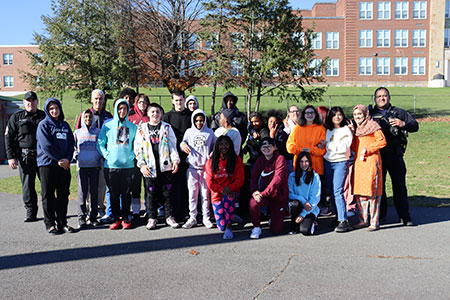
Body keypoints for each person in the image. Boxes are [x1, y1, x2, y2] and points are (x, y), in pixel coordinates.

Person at [369, 87, 419, 226]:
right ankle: (381, 215)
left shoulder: (399, 113)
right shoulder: (370, 114)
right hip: (377, 156)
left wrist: (403, 124)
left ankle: (405, 216)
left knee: (399, 187)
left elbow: (415, 126)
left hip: (395, 155)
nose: (382, 98)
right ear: (375, 99)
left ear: (389, 98)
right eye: (379, 96)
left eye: (384, 96)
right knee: (380, 188)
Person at [134, 103, 181, 230]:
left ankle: (169, 216)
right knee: (151, 193)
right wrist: (142, 164)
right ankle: (152, 218)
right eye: (152, 112)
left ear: (161, 114)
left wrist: (175, 160)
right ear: (148, 114)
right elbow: (138, 148)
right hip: (149, 167)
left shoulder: (166, 127)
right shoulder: (142, 128)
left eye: (158, 112)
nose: (155, 114)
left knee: (167, 192)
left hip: (165, 166)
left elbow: (172, 145)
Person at [5, 91, 45, 222]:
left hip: (42, 156)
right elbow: (9, 137)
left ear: (37, 102)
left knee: (46, 184)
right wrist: (11, 157)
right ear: (24, 102)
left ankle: (49, 211)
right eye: (28, 100)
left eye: (33, 100)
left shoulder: (43, 116)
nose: (31, 103)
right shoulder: (17, 117)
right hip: (25, 156)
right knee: (28, 186)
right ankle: (31, 212)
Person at [36, 98, 75, 234]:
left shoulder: (64, 125)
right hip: (48, 165)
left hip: (64, 166)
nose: (54, 111)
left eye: (56, 108)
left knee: (63, 194)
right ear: (47, 110)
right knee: (48, 195)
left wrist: (67, 159)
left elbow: (71, 143)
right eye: (51, 108)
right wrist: (59, 158)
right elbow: (46, 145)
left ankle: (62, 222)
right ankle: (50, 223)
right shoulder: (43, 125)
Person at [97, 99, 137, 230]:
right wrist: (107, 155)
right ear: (116, 109)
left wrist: (132, 156)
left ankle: (125, 218)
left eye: (125, 109)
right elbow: (100, 143)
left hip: (128, 166)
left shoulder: (132, 127)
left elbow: (137, 146)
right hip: (111, 166)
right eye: (119, 108)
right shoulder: (107, 125)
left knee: (126, 194)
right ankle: (115, 219)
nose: (122, 111)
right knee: (113, 194)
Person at [74, 89, 112, 219]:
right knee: (85, 188)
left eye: (100, 99)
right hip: (84, 159)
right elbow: (77, 135)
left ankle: (99, 208)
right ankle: (86, 210)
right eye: (96, 99)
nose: (98, 101)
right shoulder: (85, 115)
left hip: (101, 158)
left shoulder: (108, 116)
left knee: (101, 185)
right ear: (91, 100)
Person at [350, 104, 387, 231]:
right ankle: (363, 220)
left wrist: (369, 149)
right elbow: (354, 147)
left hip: (371, 162)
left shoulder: (373, 126)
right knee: (361, 193)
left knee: (373, 192)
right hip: (360, 164)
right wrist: (351, 133)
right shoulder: (358, 129)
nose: (357, 117)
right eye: (355, 115)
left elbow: (382, 141)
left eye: (359, 114)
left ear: (365, 114)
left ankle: (374, 222)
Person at [286, 105, 327, 212]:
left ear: (315, 115)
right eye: (307, 113)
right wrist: (303, 150)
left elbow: (322, 151)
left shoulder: (321, 129)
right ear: (303, 115)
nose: (309, 115)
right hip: (300, 166)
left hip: (316, 166)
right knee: (300, 191)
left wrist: (310, 150)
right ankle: (301, 213)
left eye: (312, 113)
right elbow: (290, 147)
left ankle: (315, 214)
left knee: (315, 192)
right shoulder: (297, 129)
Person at [180, 109, 216, 229]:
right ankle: (193, 217)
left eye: (201, 120)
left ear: (205, 120)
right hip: (192, 168)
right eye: (196, 121)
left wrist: (213, 153)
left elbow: (216, 145)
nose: (199, 123)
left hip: (205, 169)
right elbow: (182, 143)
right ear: (193, 121)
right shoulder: (189, 132)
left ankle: (206, 217)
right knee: (192, 194)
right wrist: (183, 145)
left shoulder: (210, 132)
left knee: (205, 194)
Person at [205, 135, 245, 239]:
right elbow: (210, 182)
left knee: (228, 200)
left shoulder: (236, 160)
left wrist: (230, 188)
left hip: (231, 192)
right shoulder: (211, 161)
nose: (224, 146)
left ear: (230, 145)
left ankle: (229, 226)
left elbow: (240, 180)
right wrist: (221, 189)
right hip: (217, 194)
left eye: (226, 144)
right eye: (221, 144)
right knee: (220, 226)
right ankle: (230, 218)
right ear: (217, 146)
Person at [249, 137, 288, 239]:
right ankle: (256, 227)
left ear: (274, 147)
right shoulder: (259, 160)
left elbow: (277, 179)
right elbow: (254, 178)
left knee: (276, 230)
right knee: (253, 203)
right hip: (264, 195)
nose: (266, 149)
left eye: (269, 146)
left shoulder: (280, 159)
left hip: (278, 195)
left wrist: (263, 193)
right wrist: (255, 192)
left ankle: (274, 218)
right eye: (263, 147)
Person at [162, 89, 192, 222]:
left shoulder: (191, 116)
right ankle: (172, 213)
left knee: (186, 186)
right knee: (172, 185)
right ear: (172, 101)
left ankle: (186, 212)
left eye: (181, 100)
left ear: (184, 100)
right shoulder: (167, 117)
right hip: (172, 156)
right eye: (176, 100)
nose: (179, 102)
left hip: (188, 155)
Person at [324, 107, 353, 233]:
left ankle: (343, 220)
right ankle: (337, 216)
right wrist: (329, 145)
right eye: (334, 115)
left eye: (339, 114)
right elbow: (323, 143)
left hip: (340, 162)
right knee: (330, 191)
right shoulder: (328, 130)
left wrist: (328, 145)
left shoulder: (346, 130)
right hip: (328, 162)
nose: (337, 117)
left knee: (338, 191)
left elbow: (343, 147)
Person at [73, 109, 102, 228]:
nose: (88, 119)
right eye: (85, 117)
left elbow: (101, 147)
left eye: (90, 117)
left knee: (94, 192)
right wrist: (76, 156)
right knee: (82, 192)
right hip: (82, 167)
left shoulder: (98, 132)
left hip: (94, 166)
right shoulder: (77, 133)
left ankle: (93, 216)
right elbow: (74, 147)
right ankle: (81, 216)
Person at [128, 93, 150, 223]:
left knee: (148, 185)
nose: (142, 105)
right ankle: (136, 211)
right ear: (136, 103)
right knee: (135, 185)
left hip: (148, 157)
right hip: (134, 157)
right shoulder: (131, 118)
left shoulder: (150, 117)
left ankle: (149, 209)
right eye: (140, 102)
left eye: (144, 102)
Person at [288, 152, 321, 236]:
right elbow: (290, 194)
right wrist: (303, 201)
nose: (304, 164)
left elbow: (315, 198)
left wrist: (303, 214)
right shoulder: (292, 176)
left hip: (310, 209)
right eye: (301, 162)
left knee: (305, 231)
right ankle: (294, 224)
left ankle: (311, 222)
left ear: (310, 162)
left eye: (306, 161)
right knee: (294, 204)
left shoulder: (315, 176)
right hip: (298, 206)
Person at [267, 109, 293, 174]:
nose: (272, 124)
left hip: (286, 160)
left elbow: (277, 149)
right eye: (270, 121)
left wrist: (272, 137)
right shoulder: (265, 131)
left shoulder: (281, 133)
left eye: (275, 122)